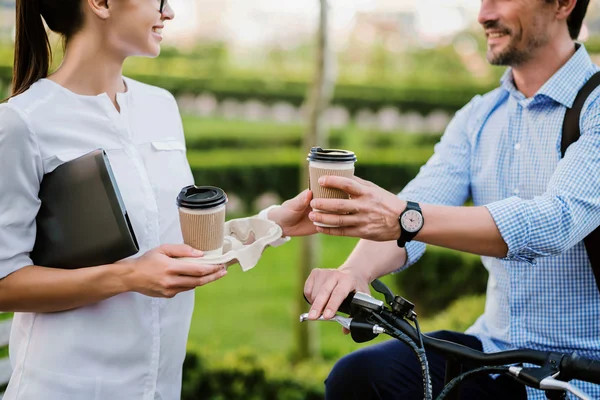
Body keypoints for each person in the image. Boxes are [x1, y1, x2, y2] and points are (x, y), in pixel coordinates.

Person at [0, 0, 313, 398]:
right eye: (159, 0)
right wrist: (128, 277)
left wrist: (271, 224)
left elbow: (170, 248)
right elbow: (4, 282)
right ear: (100, 3)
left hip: (160, 388)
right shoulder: (23, 122)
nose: (170, 12)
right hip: (64, 386)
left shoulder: (161, 107)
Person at [301, 0, 600, 399]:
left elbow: (556, 221)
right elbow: (419, 201)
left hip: (582, 370)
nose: (484, 14)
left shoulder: (596, 108)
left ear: (564, 4)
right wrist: (355, 272)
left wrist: (407, 217)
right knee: (361, 378)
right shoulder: (480, 116)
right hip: (496, 354)